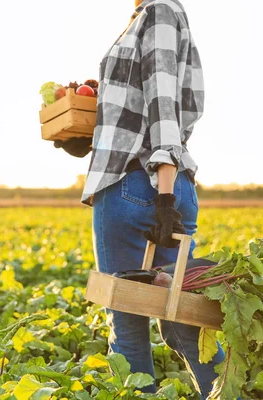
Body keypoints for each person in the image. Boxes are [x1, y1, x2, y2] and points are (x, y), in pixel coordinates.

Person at [55, 0, 224, 397]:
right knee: (184, 320)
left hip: (138, 185)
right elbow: (144, 109)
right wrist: (87, 137)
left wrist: (164, 197)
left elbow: (164, 103)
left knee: (128, 327)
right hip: (162, 181)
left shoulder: (158, 12)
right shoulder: (149, 16)